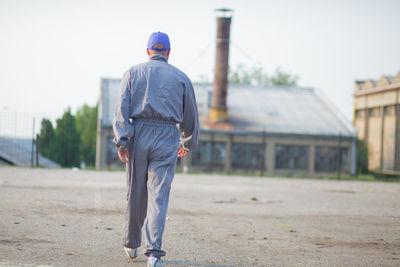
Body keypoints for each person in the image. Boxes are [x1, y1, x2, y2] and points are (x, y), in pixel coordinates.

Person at [113, 31, 199, 267]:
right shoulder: (181, 78)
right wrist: (187, 143)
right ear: (169, 52)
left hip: (139, 134)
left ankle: (131, 245)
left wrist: (122, 140)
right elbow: (191, 114)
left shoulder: (132, 73)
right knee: (158, 196)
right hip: (167, 135)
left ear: (148, 51)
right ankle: (153, 254)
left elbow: (121, 109)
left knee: (135, 192)